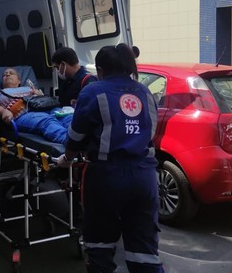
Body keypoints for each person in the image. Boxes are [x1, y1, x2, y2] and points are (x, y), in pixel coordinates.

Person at [58, 43, 163, 273]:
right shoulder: (144, 92)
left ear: (100, 70)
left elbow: (75, 137)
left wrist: (66, 158)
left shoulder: (94, 91)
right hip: (144, 177)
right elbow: (151, 132)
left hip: (106, 177)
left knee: (100, 246)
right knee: (144, 251)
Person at [0, 67, 70, 144]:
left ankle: (81, 138)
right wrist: (4, 111)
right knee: (46, 120)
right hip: (23, 115)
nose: (7, 74)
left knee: (67, 116)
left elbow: (44, 100)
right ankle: (70, 144)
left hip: (47, 108)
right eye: (5, 75)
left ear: (19, 80)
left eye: (11, 73)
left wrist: (39, 94)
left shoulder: (30, 89)